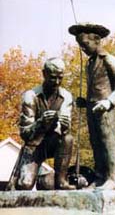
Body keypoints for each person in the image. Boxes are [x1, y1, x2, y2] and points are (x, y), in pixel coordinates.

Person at [69, 24, 115, 189]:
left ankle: (114, 179)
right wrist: (85, 102)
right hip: (91, 109)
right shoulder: (90, 63)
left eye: (85, 44)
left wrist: (108, 101)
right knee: (95, 142)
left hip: (105, 109)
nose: (83, 48)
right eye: (80, 45)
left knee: (108, 141)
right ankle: (100, 176)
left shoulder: (108, 59)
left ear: (96, 41)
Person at [7, 57, 75, 190]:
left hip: (53, 143)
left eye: (60, 78)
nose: (57, 82)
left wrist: (66, 126)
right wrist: (40, 123)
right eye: (53, 77)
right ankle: (43, 179)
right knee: (24, 185)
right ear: (44, 74)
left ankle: (60, 180)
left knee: (68, 139)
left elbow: (64, 132)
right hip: (34, 146)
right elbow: (25, 134)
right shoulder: (31, 96)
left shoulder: (66, 96)